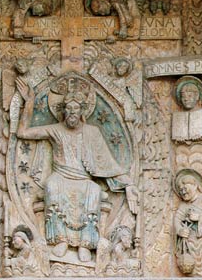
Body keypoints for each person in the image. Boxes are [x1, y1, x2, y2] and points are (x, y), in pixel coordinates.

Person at [16, 75, 137, 263]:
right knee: (52, 186)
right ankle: (61, 240)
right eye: (68, 108)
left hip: (83, 179)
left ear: (82, 111)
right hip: (61, 177)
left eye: (76, 108)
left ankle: (85, 244)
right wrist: (29, 102)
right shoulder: (55, 129)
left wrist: (127, 183)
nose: (72, 112)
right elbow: (23, 132)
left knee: (94, 190)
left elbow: (107, 163)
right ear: (63, 111)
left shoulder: (92, 132)